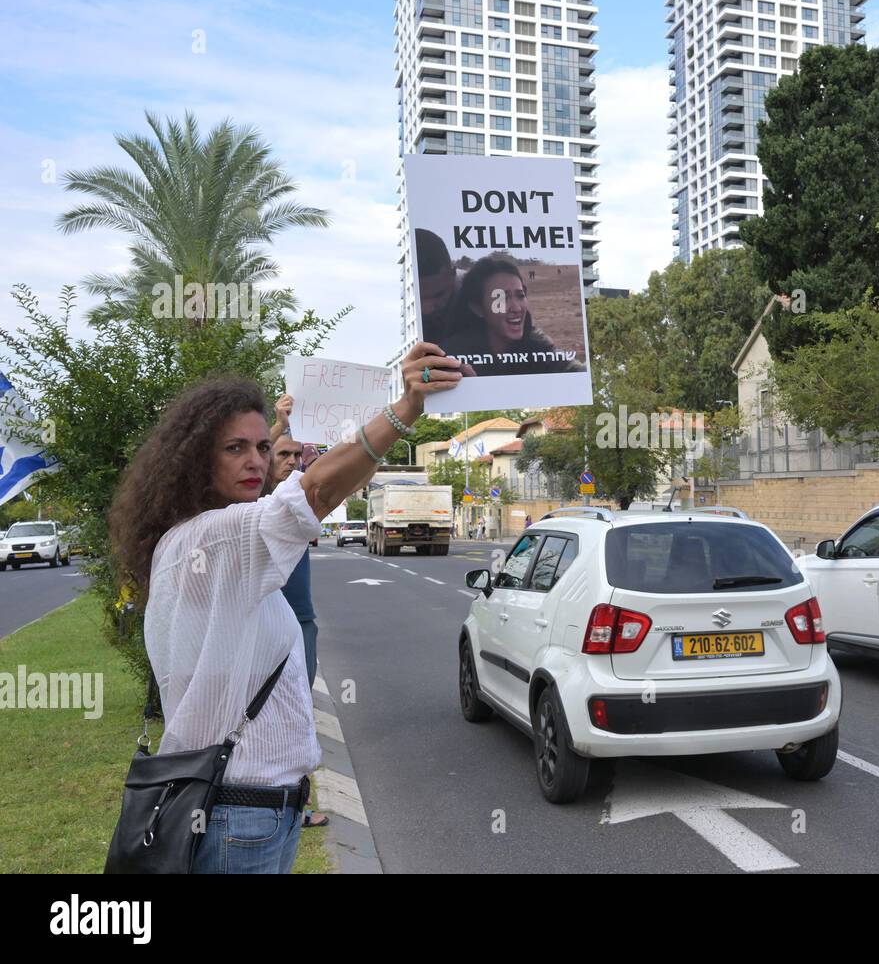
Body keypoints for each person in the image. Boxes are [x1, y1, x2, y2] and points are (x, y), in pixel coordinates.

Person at [108, 344, 462, 874]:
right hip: (237, 816)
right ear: (194, 460)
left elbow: (313, 490)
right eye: (234, 448)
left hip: (249, 812)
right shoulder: (214, 538)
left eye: (260, 445)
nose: (255, 460)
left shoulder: (202, 539)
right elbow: (316, 492)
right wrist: (403, 410)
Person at [265, 397, 328, 830]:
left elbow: (345, 473)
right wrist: (279, 423)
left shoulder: (300, 499)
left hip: (300, 622)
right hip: (261, 624)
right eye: (281, 455)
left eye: (295, 454)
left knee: (298, 711)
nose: (290, 461)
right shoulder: (254, 503)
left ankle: (296, 805)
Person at [441, 256, 585, 377]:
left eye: (520, 295)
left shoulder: (539, 346)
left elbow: (575, 371)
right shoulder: (449, 356)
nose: (516, 308)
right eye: (502, 298)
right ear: (478, 308)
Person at [417, 229, 461, 345]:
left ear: (452, 274)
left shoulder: (479, 294)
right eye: (418, 298)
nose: (427, 309)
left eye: (439, 295)